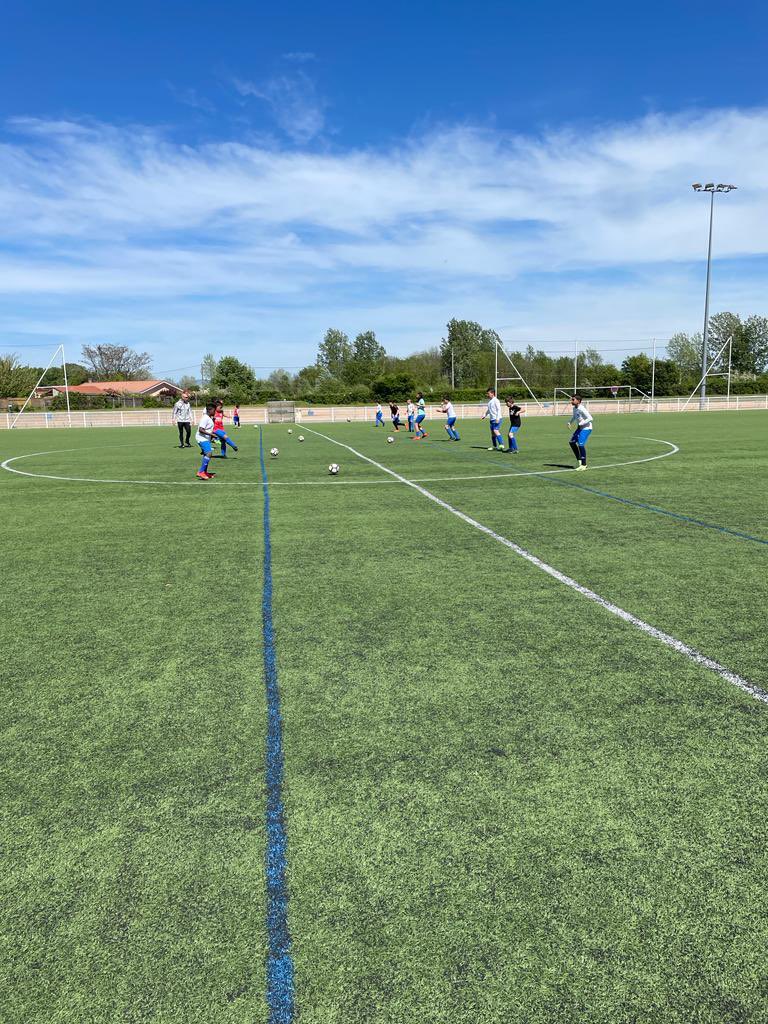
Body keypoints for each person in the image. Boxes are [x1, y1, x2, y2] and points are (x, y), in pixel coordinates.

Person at [568, 394, 593, 470]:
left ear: (578, 401)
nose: (571, 401)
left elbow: (590, 418)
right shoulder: (574, 408)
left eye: (573, 400)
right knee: (572, 442)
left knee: (580, 444)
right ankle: (579, 459)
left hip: (586, 428)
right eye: (571, 399)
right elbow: (575, 416)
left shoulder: (582, 408)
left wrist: (582, 423)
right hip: (580, 428)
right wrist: (570, 422)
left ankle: (584, 464)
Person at [196, 404, 217, 480]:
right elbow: (201, 429)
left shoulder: (208, 418)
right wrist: (211, 434)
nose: (215, 412)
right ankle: (201, 472)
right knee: (209, 453)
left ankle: (204, 472)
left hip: (205, 438)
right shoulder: (205, 418)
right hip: (202, 438)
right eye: (214, 411)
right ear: (210, 410)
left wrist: (211, 437)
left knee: (206, 454)